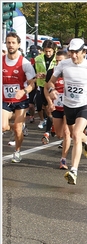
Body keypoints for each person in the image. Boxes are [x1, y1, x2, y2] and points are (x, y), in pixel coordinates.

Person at [47, 38, 87, 185]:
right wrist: (51, 89)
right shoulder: (63, 64)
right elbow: (51, 81)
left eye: (76, 52)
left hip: (85, 105)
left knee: (75, 135)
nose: (73, 55)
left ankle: (74, 170)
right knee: (75, 135)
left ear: (84, 52)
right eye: (71, 52)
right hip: (68, 105)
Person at [2, 32, 37, 163]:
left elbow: (32, 84)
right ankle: (17, 125)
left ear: (18, 44)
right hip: (5, 99)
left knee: (17, 129)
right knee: (3, 126)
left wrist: (23, 91)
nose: (10, 45)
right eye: (8, 42)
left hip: (21, 100)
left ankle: (17, 151)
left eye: (13, 43)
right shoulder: (1, 60)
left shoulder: (25, 63)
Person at [43, 50, 71, 169]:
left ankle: (63, 160)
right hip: (57, 106)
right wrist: (50, 102)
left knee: (66, 133)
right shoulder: (51, 72)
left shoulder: (71, 72)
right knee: (59, 134)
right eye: (57, 61)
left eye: (61, 61)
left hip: (69, 106)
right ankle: (86, 137)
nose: (58, 63)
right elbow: (46, 87)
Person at [34, 39, 58, 130]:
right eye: (46, 51)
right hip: (42, 84)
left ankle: (54, 122)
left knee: (54, 105)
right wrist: (37, 75)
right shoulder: (38, 59)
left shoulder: (58, 59)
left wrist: (49, 75)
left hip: (55, 86)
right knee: (45, 106)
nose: (48, 53)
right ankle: (49, 121)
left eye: (50, 51)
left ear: (54, 50)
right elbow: (33, 71)